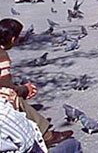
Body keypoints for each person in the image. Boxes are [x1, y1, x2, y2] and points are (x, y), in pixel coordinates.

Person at [0, 19, 73, 148]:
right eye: (17, 37)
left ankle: (38, 128)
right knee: (14, 97)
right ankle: (46, 135)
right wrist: (24, 90)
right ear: (12, 39)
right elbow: (5, 87)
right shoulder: (1, 55)